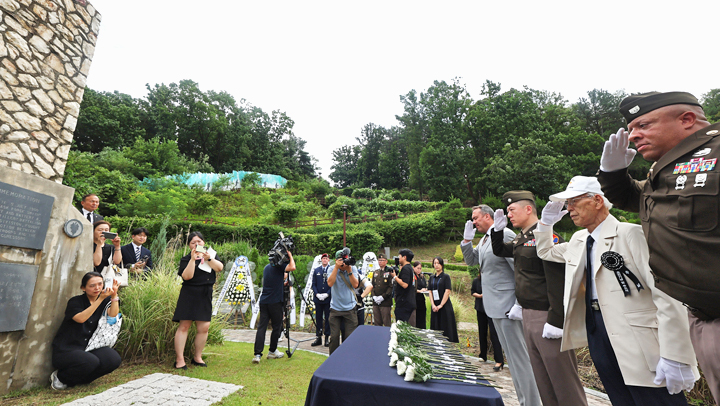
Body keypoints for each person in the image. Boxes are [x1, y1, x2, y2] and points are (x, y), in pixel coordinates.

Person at [598, 91, 720, 404]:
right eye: (631, 128)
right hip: (702, 319)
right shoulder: (664, 167)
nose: (633, 135)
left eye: (643, 125)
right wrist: (612, 175)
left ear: (687, 119)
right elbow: (640, 200)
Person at [536, 176, 699, 405]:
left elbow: (665, 293)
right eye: (567, 203)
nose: (568, 208)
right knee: (619, 396)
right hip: (596, 328)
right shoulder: (579, 239)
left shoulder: (630, 234)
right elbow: (546, 252)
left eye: (574, 201)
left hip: (637, 335)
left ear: (597, 201)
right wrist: (545, 225)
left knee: (654, 399)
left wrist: (677, 354)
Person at [491, 191, 587, 406]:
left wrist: (556, 320)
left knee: (562, 380)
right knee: (543, 379)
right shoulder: (522, 237)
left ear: (528, 209)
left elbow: (557, 281)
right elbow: (500, 251)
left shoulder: (548, 236)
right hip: (528, 313)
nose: (509, 215)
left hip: (546, 316)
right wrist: (497, 231)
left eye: (511, 210)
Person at [462, 204, 542, 406]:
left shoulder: (505, 234)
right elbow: (473, 261)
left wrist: (518, 303)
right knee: (513, 362)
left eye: (476, 218)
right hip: (495, 306)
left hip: (508, 307)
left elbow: (519, 271)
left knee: (520, 360)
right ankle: (525, 401)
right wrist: (466, 241)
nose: (473, 221)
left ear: (488, 217)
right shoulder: (486, 238)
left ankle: (532, 403)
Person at [50, 272, 122, 390]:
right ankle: (61, 377)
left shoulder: (106, 300)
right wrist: (99, 300)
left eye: (100, 284)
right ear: (83, 288)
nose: (97, 288)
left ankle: (82, 380)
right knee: (90, 361)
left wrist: (114, 295)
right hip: (66, 349)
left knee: (113, 359)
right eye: (92, 285)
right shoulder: (75, 302)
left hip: (90, 346)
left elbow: (112, 316)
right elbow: (81, 318)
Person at [172, 231, 224, 369]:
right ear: (189, 245)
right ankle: (179, 360)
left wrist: (208, 259)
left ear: (204, 243)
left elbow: (219, 268)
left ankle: (197, 357)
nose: (197, 244)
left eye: (199, 241)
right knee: (184, 326)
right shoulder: (185, 259)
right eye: (193, 242)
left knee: (204, 327)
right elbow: (187, 277)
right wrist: (192, 260)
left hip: (205, 293)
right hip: (189, 293)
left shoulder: (211, 255)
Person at [253, 246, 296, 363]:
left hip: (264, 301)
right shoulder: (279, 267)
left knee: (262, 327)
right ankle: (272, 351)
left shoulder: (267, 268)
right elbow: (293, 267)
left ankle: (257, 354)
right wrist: (290, 255)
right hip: (275, 302)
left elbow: (280, 277)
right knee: (277, 327)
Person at [327, 249, 360, 355]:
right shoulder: (331, 269)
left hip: (350, 309)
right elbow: (330, 283)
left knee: (350, 337)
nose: (344, 262)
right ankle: (332, 360)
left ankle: (348, 358)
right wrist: (337, 267)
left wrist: (349, 270)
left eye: (346, 259)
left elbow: (355, 285)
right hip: (335, 308)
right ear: (336, 260)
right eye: (342, 260)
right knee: (334, 337)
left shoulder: (352, 268)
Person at [471, 272, 504, 370]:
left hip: (492, 309)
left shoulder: (492, 281)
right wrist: (480, 296)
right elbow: (472, 292)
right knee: (482, 332)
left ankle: (499, 360)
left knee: (494, 334)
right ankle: (483, 355)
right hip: (480, 308)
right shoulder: (476, 281)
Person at [427, 257, 459, 343]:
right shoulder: (432, 278)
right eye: (434, 263)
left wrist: (440, 305)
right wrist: (433, 305)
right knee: (435, 327)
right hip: (435, 306)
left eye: (438, 263)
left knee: (445, 328)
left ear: (442, 264)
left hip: (444, 306)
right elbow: (429, 291)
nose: (436, 265)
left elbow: (447, 291)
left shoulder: (446, 277)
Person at [310, 253, 331, 347]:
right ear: (321, 260)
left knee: (328, 318)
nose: (325, 260)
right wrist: (317, 294)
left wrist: (327, 293)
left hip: (327, 298)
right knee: (318, 318)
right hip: (318, 298)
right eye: (323, 258)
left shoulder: (331, 270)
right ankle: (318, 337)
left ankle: (327, 337)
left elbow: (333, 283)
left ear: (329, 260)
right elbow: (313, 284)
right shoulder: (316, 270)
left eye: (326, 258)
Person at [392, 249, 416, 326]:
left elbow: (405, 284)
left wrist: (395, 277)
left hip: (404, 303)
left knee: (401, 325)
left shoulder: (406, 269)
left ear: (404, 257)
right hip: (408, 301)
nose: (398, 258)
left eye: (399, 256)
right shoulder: (410, 268)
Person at [370, 254, 393, 327]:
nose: (380, 262)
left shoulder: (389, 272)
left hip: (385, 302)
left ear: (386, 261)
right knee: (377, 322)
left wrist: (383, 297)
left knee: (386, 322)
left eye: (382, 260)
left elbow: (390, 287)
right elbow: (372, 285)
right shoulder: (376, 272)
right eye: (379, 260)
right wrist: (373, 296)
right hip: (376, 302)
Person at [413, 261, 427, 330]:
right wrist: (419, 290)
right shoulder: (412, 276)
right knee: (416, 318)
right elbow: (412, 288)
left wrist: (425, 289)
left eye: (420, 268)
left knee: (422, 317)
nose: (419, 270)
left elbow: (425, 285)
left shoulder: (421, 276)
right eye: (417, 268)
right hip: (415, 298)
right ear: (414, 268)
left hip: (421, 299)